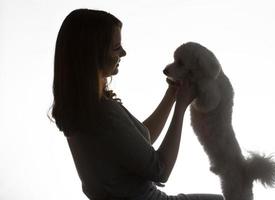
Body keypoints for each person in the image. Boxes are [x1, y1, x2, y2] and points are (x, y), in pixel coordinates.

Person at [50, 9, 224, 200]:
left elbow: (139, 144)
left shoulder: (83, 110)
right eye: (116, 48)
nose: (123, 53)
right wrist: (181, 108)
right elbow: (160, 169)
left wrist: (172, 95)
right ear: (94, 54)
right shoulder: (104, 113)